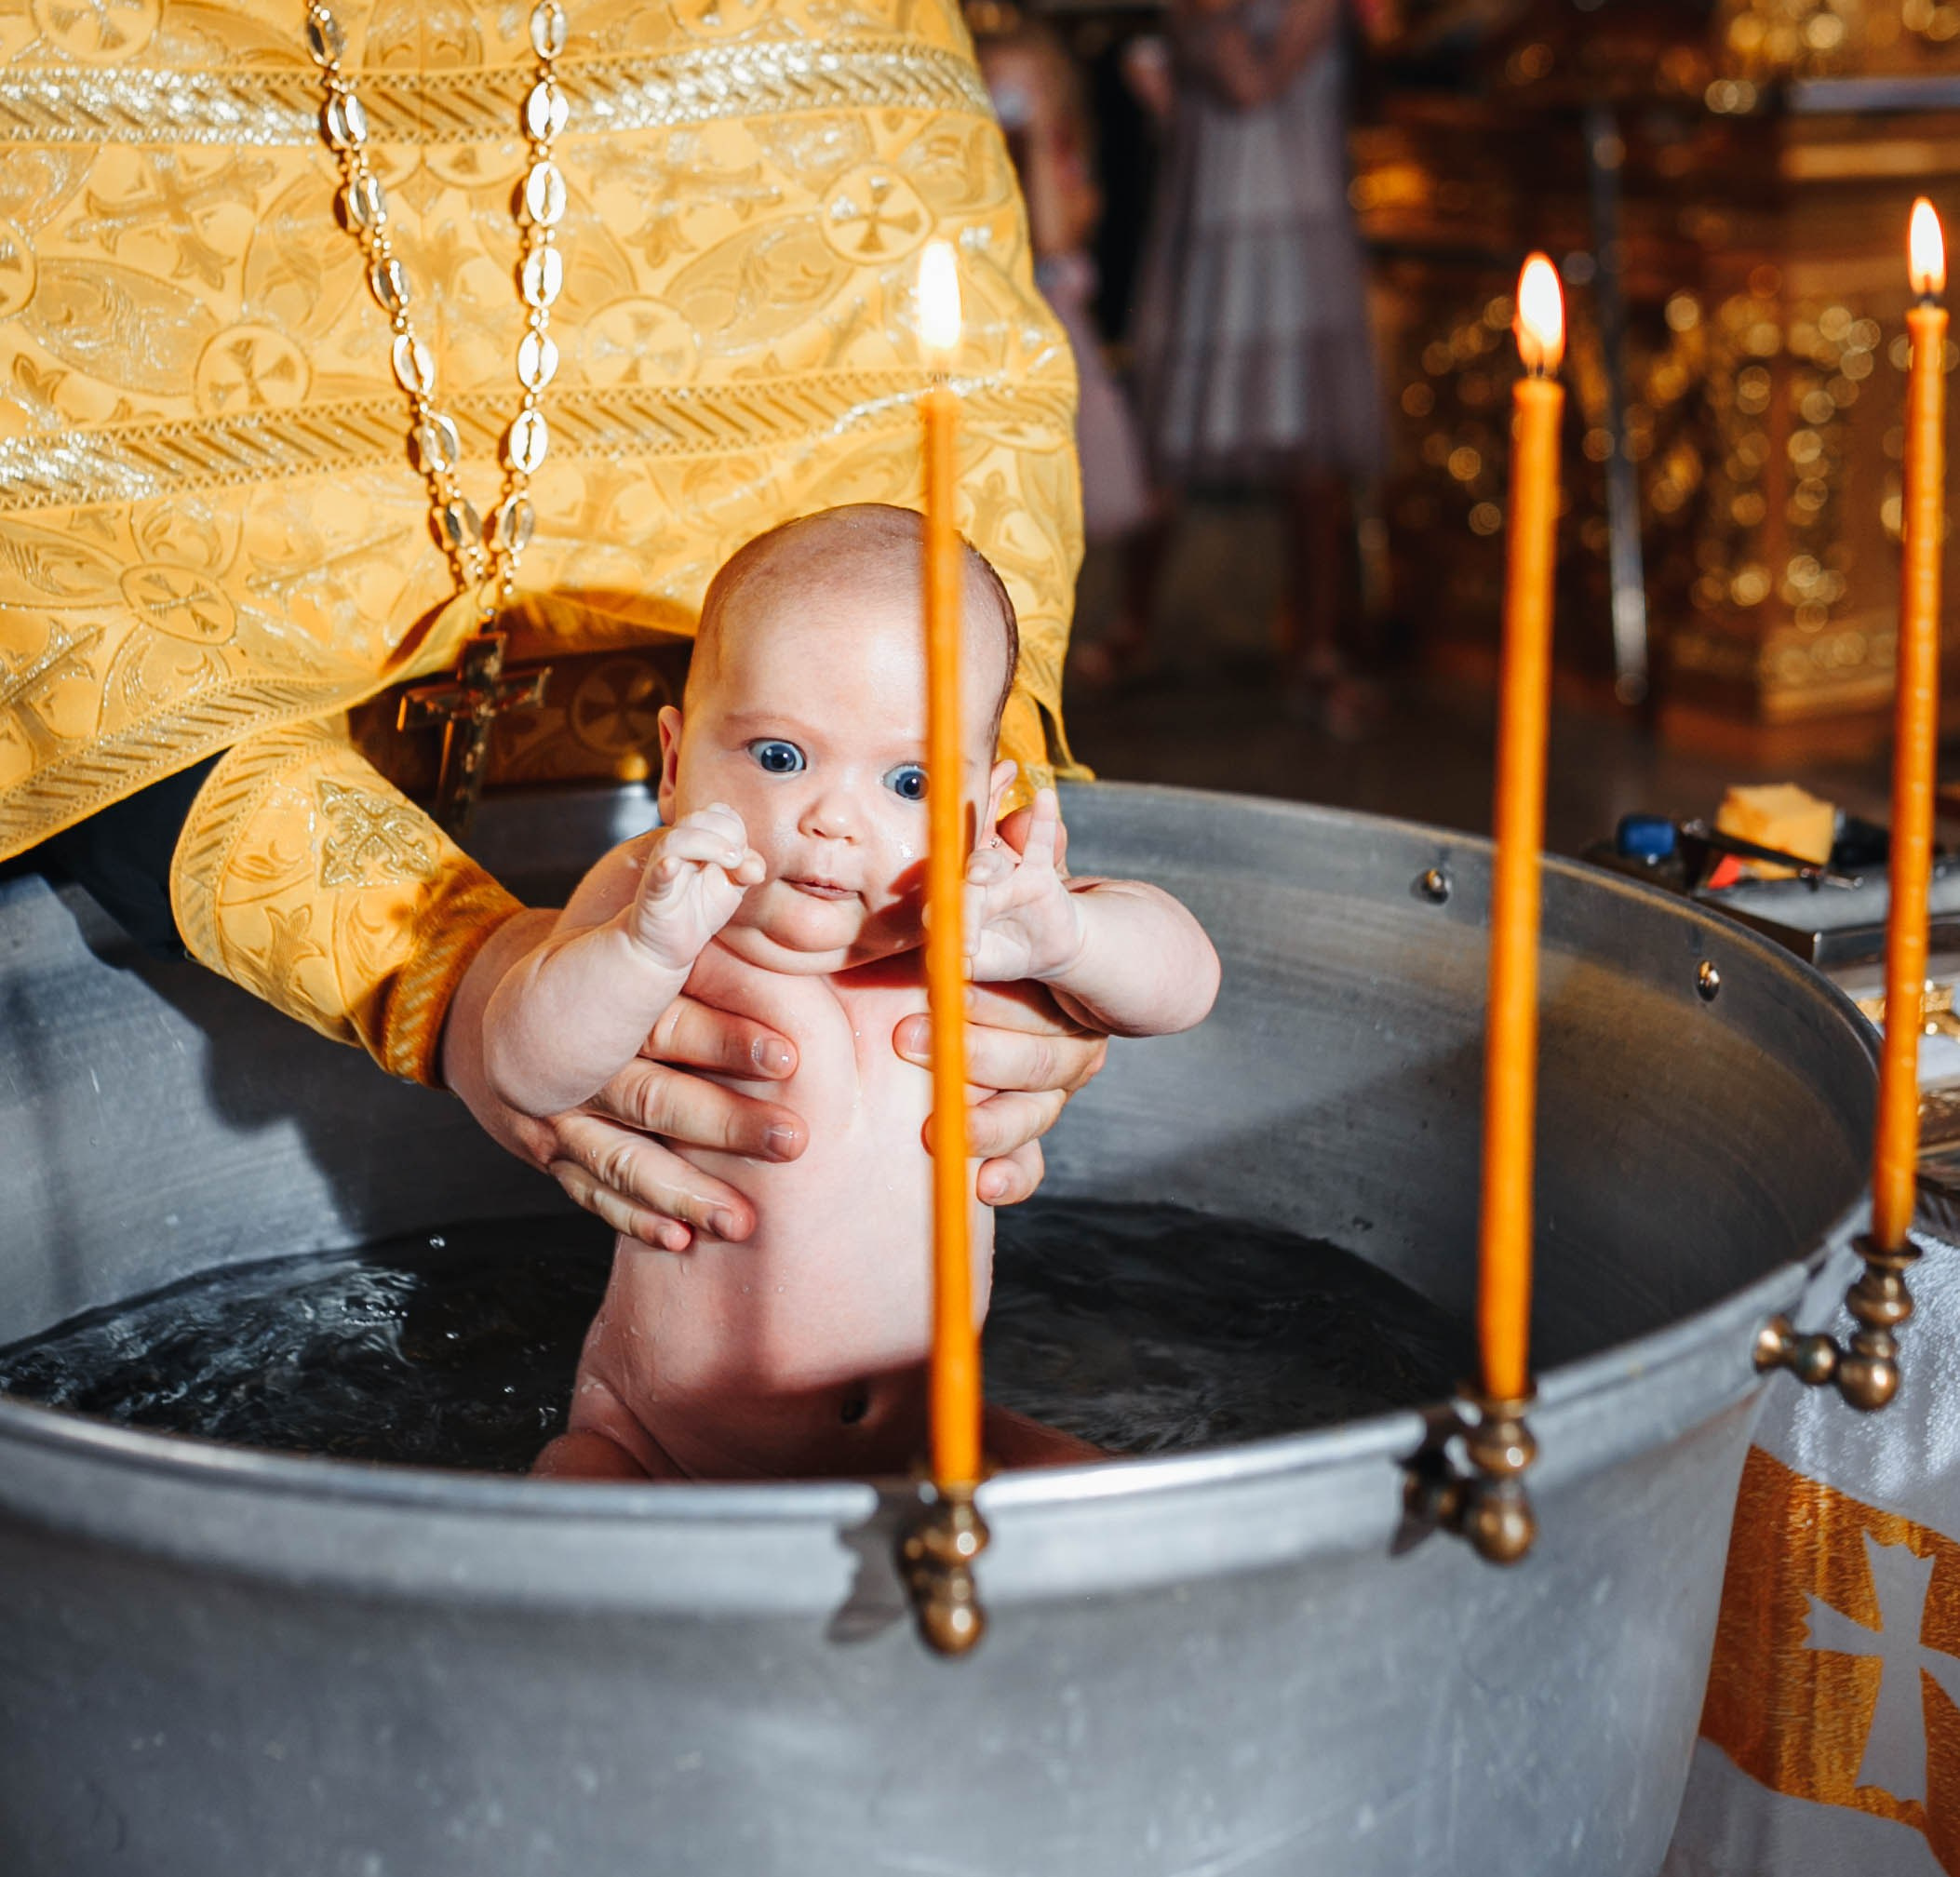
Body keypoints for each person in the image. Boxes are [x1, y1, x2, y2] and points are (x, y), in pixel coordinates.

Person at [2, 0, 1106, 1253]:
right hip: (189, 921)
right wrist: (452, 979)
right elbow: (54, 569)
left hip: (821, 925)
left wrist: (1006, 884)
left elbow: (953, 452)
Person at [484, 506, 1219, 1481]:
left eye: (910, 782)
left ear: (986, 800)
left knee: (1114, 1509)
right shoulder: (663, 899)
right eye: (780, 758)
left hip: (931, 1440)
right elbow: (524, 1065)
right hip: (657, 1445)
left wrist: (1070, 934)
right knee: (573, 1508)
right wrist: (640, 952)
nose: (834, 819)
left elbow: (1185, 985)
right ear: (673, 763)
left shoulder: (974, 911)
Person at [1123, 0, 1388, 723]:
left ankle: (1316, 644)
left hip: (1292, 228)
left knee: (1308, 448)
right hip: (1206, 223)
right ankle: (1132, 629)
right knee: (1169, 428)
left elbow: (1249, 83)